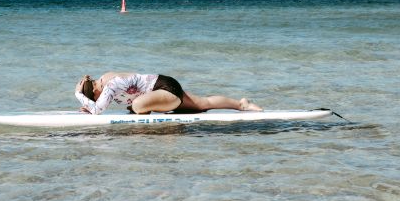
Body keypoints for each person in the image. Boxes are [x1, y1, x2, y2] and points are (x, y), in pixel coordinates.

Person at [75, 72, 263, 115]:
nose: (98, 99)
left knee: (137, 106)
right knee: (203, 103)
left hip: (164, 89)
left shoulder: (109, 85)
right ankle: (241, 104)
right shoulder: (104, 80)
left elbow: (99, 110)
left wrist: (79, 96)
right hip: (165, 84)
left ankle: (154, 110)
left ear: (96, 91)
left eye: (94, 97)